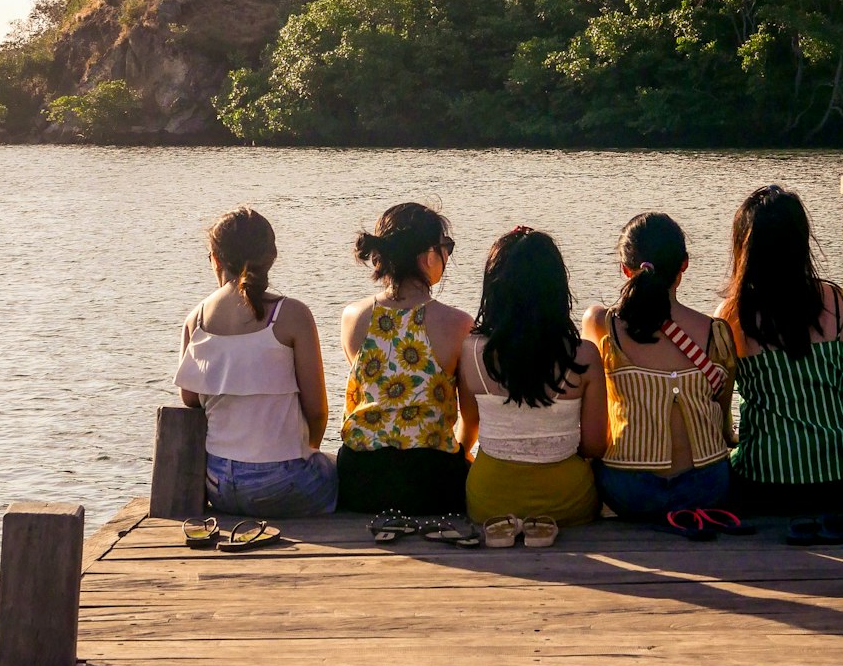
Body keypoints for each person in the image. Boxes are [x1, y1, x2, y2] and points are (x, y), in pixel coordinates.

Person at [174, 205, 337, 517]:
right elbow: (317, 411)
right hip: (283, 483)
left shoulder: (196, 320)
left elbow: (189, 397)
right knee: (336, 469)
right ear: (271, 257)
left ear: (216, 258)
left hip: (218, 484)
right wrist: (308, 450)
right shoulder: (291, 316)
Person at [717, 185, 843, 513]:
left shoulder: (731, 317)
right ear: (800, 243)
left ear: (745, 249)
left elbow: (719, 410)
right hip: (842, 476)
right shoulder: (836, 303)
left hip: (764, 481)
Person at [582, 212, 736, 519]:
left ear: (626, 270)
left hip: (629, 489)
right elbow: (723, 421)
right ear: (684, 265)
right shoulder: (716, 332)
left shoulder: (602, 324)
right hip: (707, 487)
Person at [459, 227, 605, 527]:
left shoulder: (472, 352)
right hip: (567, 501)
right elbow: (594, 446)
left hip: (489, 501)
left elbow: (468, 432)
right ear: (556, 288)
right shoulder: (585, 355)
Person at [338, 202, 474, 515]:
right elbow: (470, 416)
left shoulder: (353, 317)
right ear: (429, 256)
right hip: (431, 480)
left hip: (361, 479)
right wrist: (461, 457)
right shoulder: (458, 324)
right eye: (446, 247)